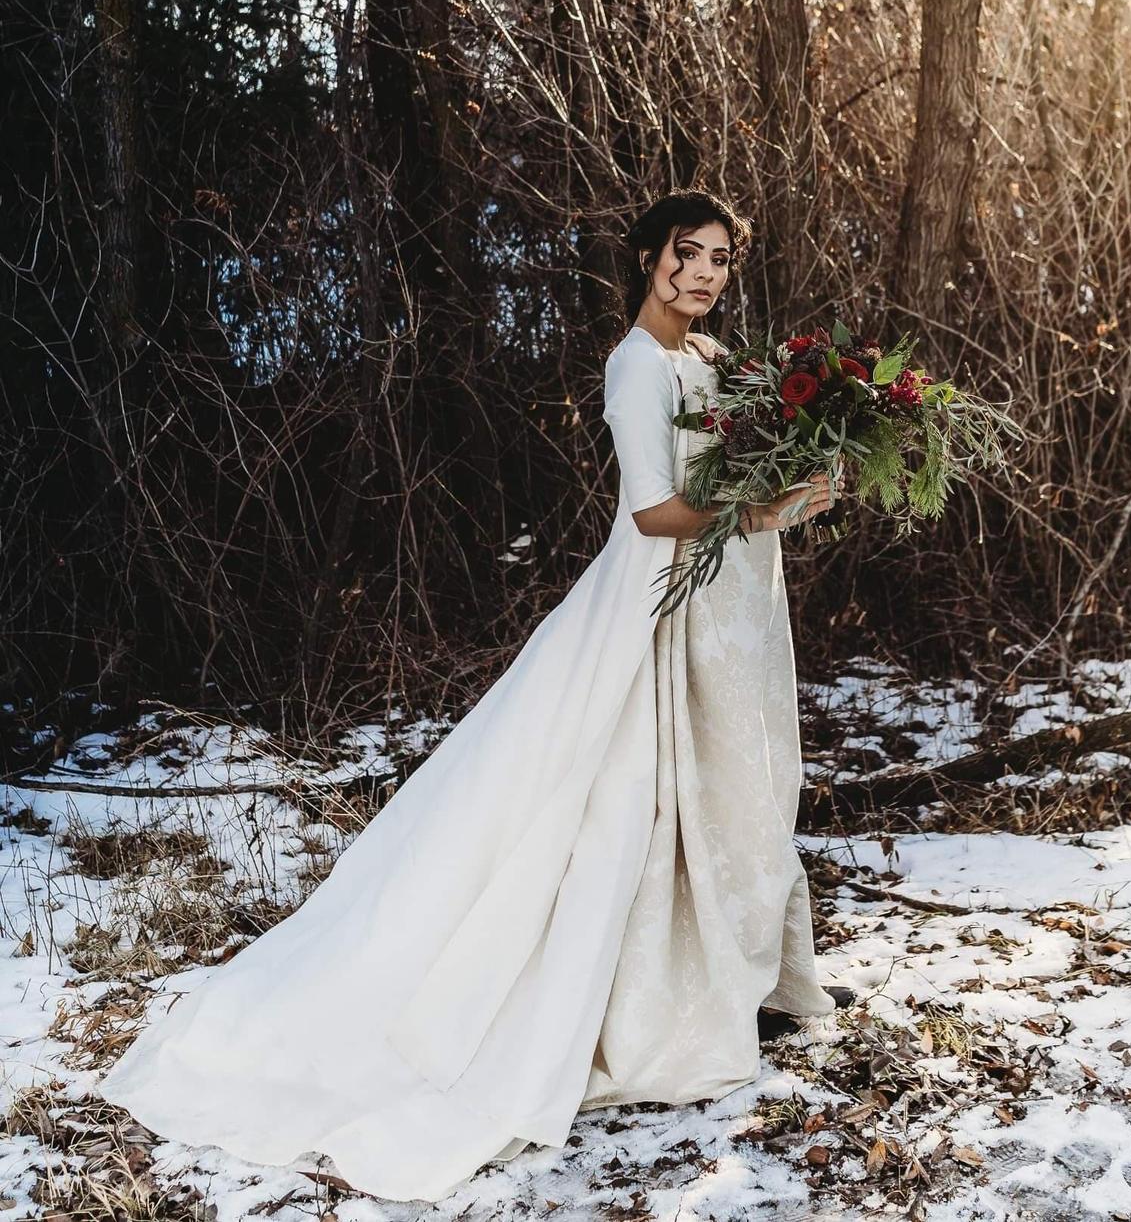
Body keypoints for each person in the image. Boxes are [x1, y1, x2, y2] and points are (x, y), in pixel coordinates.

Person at [96, 190, 849, 1204]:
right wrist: (757, 503)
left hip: (729, 605)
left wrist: (796, 497)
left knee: (733, 786)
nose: (704, 275)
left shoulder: (713, 363)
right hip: (658, 600)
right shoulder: (634, 366)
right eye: (685, 254)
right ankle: (639, 1005)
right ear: (643, 259)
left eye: (719, 258)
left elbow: (733, 490)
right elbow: (651, 511)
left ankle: (744, 980)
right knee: (634, 796)